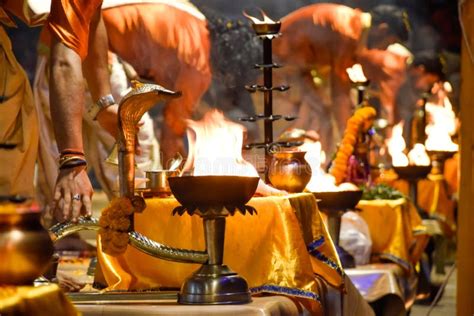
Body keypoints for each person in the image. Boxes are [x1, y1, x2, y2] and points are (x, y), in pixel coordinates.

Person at [272, 3, 410, 154]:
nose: (384, 49)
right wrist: (349, 142)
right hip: (278, 63)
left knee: (321, 114)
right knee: (313, 120)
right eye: (390, 42)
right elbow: (339, 93)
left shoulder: (352, 23)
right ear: (382, 29)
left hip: (296, 67)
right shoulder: (348, 31)